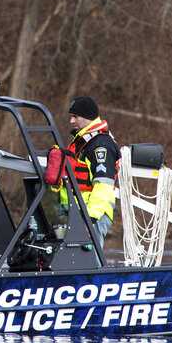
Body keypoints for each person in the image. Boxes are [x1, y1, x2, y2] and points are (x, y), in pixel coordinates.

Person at [45, 96, 119, 244]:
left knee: (90, 262)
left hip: (91, 216)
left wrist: (90, 218)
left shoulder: (100, 145)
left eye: (75, 117)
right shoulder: (84, 141)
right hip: (76, 213)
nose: (71, 121)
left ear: (87, 117)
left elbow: (103, 185)